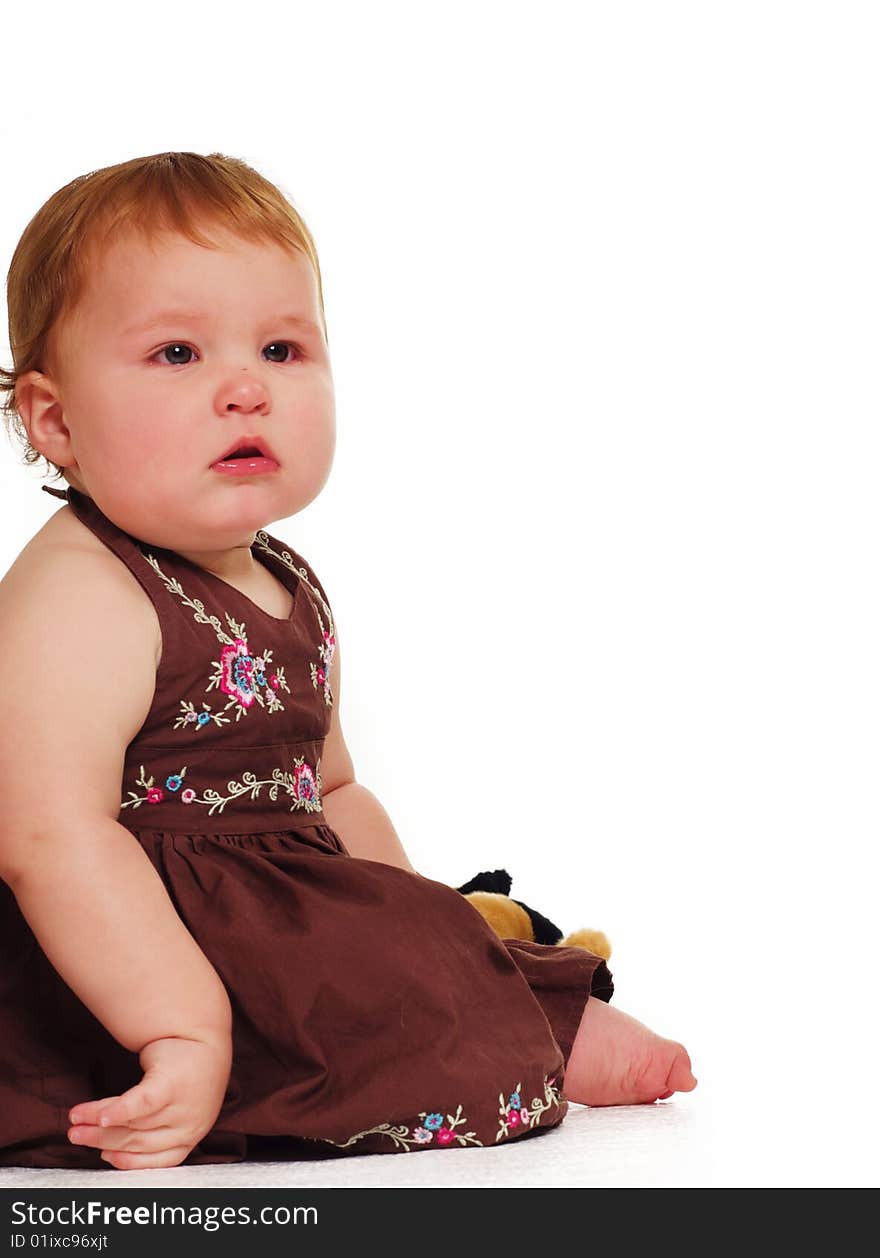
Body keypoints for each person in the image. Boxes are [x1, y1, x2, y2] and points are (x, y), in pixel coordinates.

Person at [0, 152, 696, 1171]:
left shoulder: (287, 576)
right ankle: (488, 1036)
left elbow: (328, 786)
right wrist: (178, 1022)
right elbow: (47, 836)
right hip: (119, 953)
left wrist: (428, 937)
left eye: (281, 348)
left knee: (432, 943)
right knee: (340, 1000)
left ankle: (518, 1012)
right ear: (55, 420)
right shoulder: (83, 593)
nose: (244, 389)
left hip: (279, 925)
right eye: (177, 354)